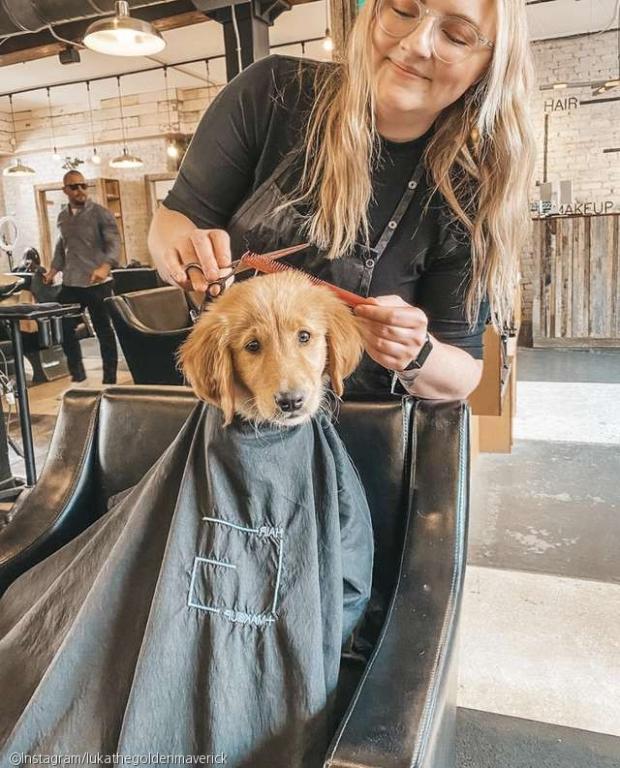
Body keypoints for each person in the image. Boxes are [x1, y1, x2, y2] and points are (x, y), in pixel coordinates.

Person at [149, 0, 535, 400]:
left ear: (489, 66)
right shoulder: (273, 93)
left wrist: (418, 352)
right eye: (403, 11)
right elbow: (172, 222)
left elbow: (464, 374)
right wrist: (183, 253)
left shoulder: (467, 193)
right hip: (241, 411)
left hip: (365, 424)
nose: (416, 43)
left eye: (456, 36)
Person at [45, 170, 120, 384]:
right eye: (74, 187)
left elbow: (114, 243)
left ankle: (110, 380)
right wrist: (53, 271)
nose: (80, 190)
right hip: (72, 282)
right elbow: (62, 246)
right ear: (65, 190)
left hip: (98, 283)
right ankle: (78, 375)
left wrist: (105, 266)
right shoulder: (63, 217)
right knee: (63, 326)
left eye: (83, 185)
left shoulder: (101, 213)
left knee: (103, 330)